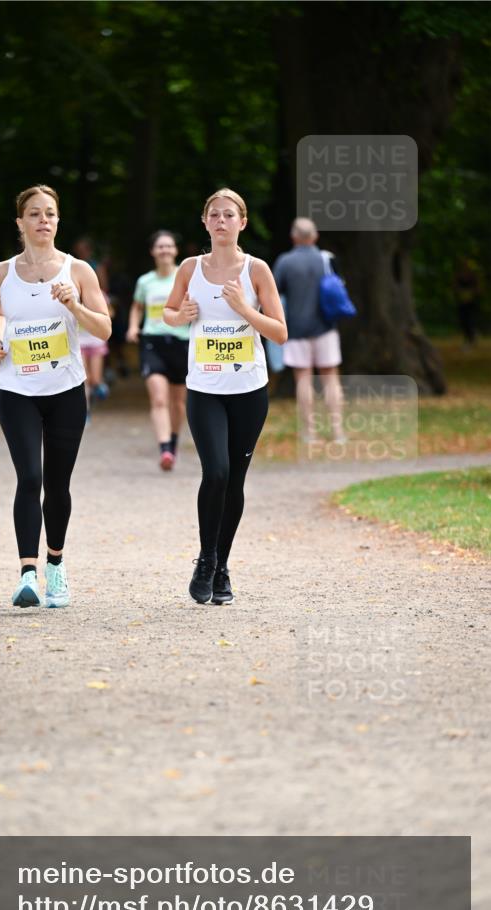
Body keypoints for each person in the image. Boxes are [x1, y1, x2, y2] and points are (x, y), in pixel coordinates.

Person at [0, 185, 111, 609]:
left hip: (66, 391)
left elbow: (104, 329)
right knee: (29, 478)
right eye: (34, 214)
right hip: (17, 389)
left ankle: (56, 565)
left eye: (50, 214)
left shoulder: (78, 271)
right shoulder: (1, 273)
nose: (43, 221)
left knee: (57, 483)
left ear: (58, 221)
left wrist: (75, 306)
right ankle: (27, 575)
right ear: (19, 222)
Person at [164, 189, 287, 605]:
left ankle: (222, 567)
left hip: (249, 391)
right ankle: (205, 558)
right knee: (214, 472)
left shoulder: (256, 270)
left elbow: (280, 332)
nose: (221, 221)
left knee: (234, 481)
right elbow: (167, 312)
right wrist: (180, 316)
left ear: (242, 223)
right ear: (204, 222)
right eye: (214, 215)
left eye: (229, 215)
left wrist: (244, 310)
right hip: (204, 388)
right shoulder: (189, 268)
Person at [273, 218, 345, 444]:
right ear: (315, 237)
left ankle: (310, 433)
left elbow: (274, 293)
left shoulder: (285, 262)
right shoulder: (327, 259)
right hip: (326, 327)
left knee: (303, 379)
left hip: (296, 329)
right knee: (331, 379)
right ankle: (337, 431)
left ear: (294, 237)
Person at [127, 231, 190, 470]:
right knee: (159, 399)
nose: (164, 250)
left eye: (169, 246)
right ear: (153, 252)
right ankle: (164, 449)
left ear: (175, 251)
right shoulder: (145, 281)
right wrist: (134, 327)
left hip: (181, 342)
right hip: (153, 342)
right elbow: (136, 307)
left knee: (178, 403)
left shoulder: (184, 277)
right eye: (160, 247)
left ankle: (172, 442)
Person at [453, 257, 482, 349]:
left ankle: (471, 339)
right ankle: (468, 338)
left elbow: (478, 289)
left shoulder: (473, 276)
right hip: (462, 303)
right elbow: (454, 287)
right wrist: (461, 292)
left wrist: (471, 292)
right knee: (463, 321)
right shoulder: (458, 275)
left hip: (471, 303)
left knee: (470, 321)